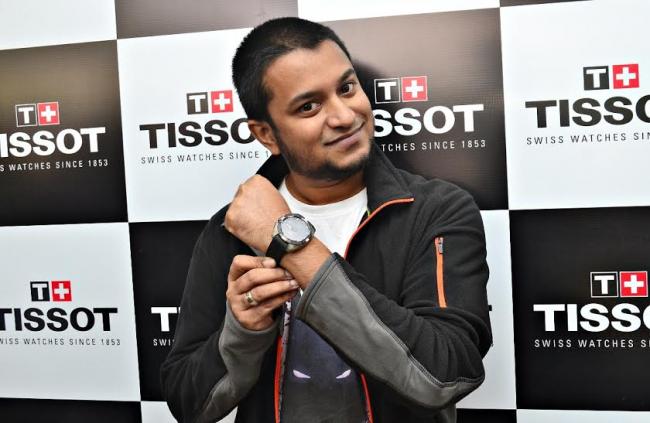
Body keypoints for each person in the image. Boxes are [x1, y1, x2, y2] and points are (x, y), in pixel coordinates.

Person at [161, 17, 492, 423]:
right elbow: (188, 404)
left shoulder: (436, 210)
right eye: (309, 106)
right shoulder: (232, 228)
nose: (344, 116)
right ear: (266, 135)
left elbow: (446, 375)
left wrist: (286, 242)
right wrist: (241, 334)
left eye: (347, 88)